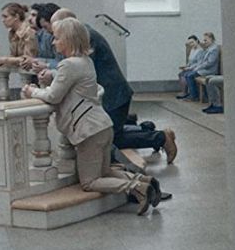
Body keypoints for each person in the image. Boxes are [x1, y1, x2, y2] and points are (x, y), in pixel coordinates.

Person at [22, 18, 167, 215]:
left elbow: (53, 96)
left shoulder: (68, 64)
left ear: (68, 39)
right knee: (105, 171)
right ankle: (145, 181)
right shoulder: (86, 61)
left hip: (88, 130)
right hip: (102, 125)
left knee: (90, 182)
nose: (53, 42)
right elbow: (71, 83)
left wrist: (32, 91)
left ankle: (137, 188)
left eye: (57, 38)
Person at [25, 8, 177, 163]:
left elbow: (74, 71)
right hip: (110, 95)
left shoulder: (86, 37)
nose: (52, 37)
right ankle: (147, 129)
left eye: (57, 32)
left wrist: (46, 78)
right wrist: (52, 72)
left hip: (113, 96)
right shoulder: (83, 35)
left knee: (110, 139)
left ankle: (160, 138)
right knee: (109, 133)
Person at [0, 2, 37, 67]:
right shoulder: (12, 33)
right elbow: (14, 56)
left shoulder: (28, 32)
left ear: (16, 17)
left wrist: (4, 60)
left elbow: (27, 59)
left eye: (5, 17)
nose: (3, 20)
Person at [177, 32, 220, 101]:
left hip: (209, 70)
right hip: (204, 69)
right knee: (186, 74)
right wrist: (196, 67)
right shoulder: (209, 48)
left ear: (211, 39)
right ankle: (190, 94)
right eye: (204, 40)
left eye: (205, 40)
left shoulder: (214, 49)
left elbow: (209, 63)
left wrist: (198, 67)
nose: (204, 42)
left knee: (189, 75)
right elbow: (202, 61)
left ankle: (194, 96)